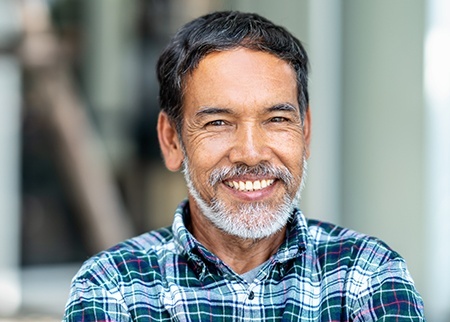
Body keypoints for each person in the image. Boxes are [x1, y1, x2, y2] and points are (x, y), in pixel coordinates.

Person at [63, 11, 425, 321]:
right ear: (172, 141)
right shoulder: (115, 288)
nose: (251, 154)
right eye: (218, 123)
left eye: (277, 120)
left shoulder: (367, 274)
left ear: (306, 132)